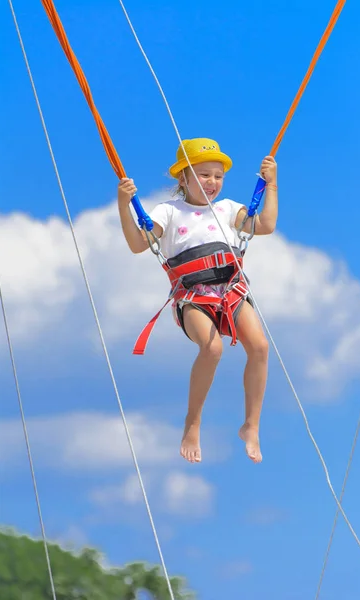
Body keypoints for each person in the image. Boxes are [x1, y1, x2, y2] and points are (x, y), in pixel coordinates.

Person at [117, 138, 278, 464]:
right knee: (213, 348)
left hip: (231, 290)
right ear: (183, 178)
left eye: (218, 176)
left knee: (260, 347)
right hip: (192, 296)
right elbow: (138, 244)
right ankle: (193, 422)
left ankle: (252, 425)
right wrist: (124, 204)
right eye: (204, 175)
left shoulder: (230, 209)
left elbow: (266, 225)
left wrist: (271, 185)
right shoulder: (168, 212)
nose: (213, 182)